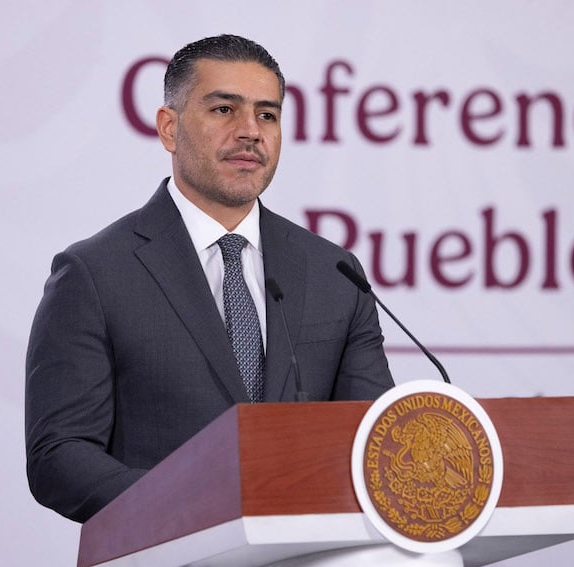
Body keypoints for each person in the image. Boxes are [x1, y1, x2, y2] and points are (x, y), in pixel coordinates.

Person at [24, 34, 393, 523]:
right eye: (223, 110)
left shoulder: (334, 272)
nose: (250, 132)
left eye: (267, 114)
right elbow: (59, 455)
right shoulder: (95, 274)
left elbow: (374, 443)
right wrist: (196, 509)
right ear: (169, 128)